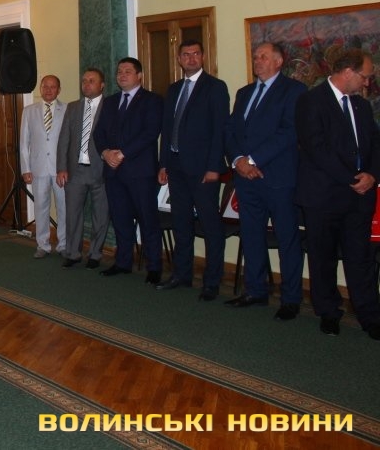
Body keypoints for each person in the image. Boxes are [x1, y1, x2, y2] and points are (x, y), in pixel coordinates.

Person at [294, 48, 380, 338]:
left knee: (361, 258)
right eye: (364, 77)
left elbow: (376, 143)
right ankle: (328, 312)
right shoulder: (311, 101)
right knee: (323, 258)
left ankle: (370, 316)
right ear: (348, 72)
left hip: (359, 196)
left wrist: (372, 175)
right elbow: (316, 148)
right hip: (323, 196)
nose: (367, 82)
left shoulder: (361, 106)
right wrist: (352, 178)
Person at [223, 42, 306, 319]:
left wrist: (253, 160)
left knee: (287, 239)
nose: (257, 61)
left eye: (264, 57)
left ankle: (290, 299)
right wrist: (238, 160)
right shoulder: (244, 92)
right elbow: (231, 130)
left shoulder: (294, 91)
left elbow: (289, 132)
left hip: (278, 178)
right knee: (251, 235)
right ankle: (255, 291)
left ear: (279, 62)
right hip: (246, 179)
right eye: (255, 57)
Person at [156, 41, 230, 301]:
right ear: (179, 59)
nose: (191, 58)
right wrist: (163, 163)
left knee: (210, 227)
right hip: (176, 167)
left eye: (196, 54)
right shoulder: (174, 89)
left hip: (203, 170)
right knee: (181, 223)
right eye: (186, 55)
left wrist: (214, 168)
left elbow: (220, 130)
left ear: (203, 57)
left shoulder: (215, 87)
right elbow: (167, 130)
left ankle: (212, 282)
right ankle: (182, 274)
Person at [93, 57, 164, 283]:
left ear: (139, 75)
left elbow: (150, 133)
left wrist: (122, 154)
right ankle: (123, 262)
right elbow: (98, 133)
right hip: (113, 172)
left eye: (127, 71)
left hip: (140, 171)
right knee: (120, 219)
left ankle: (154, 267)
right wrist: (105, 153)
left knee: (147, 220)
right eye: (119, 72)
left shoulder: (152, 100)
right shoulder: (110, 102)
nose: (122, 75)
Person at [55, 68, 110, 269]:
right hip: (75, 170)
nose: (86, 84)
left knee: (101, 215)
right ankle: (73, 253)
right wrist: (61, 167)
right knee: (72, 214)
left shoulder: (110, 107)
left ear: (102, 85)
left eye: (91, 81)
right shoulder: (73, 107)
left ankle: (95, 254)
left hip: (101, 170)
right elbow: (64, 139)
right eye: (84, 81)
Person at [20, 75, 67, 258]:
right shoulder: (29, 111)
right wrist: (26, 168)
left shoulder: (67, 110)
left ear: (59, 90)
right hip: (37, 168)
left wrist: (67, 167)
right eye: (45, 86)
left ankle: (63, 244)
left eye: (52, 87)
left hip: (60, 169)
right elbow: (24, 143)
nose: (48, 90)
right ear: (40, 88)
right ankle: (43, 245)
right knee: (40, 207)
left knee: (63, 207)